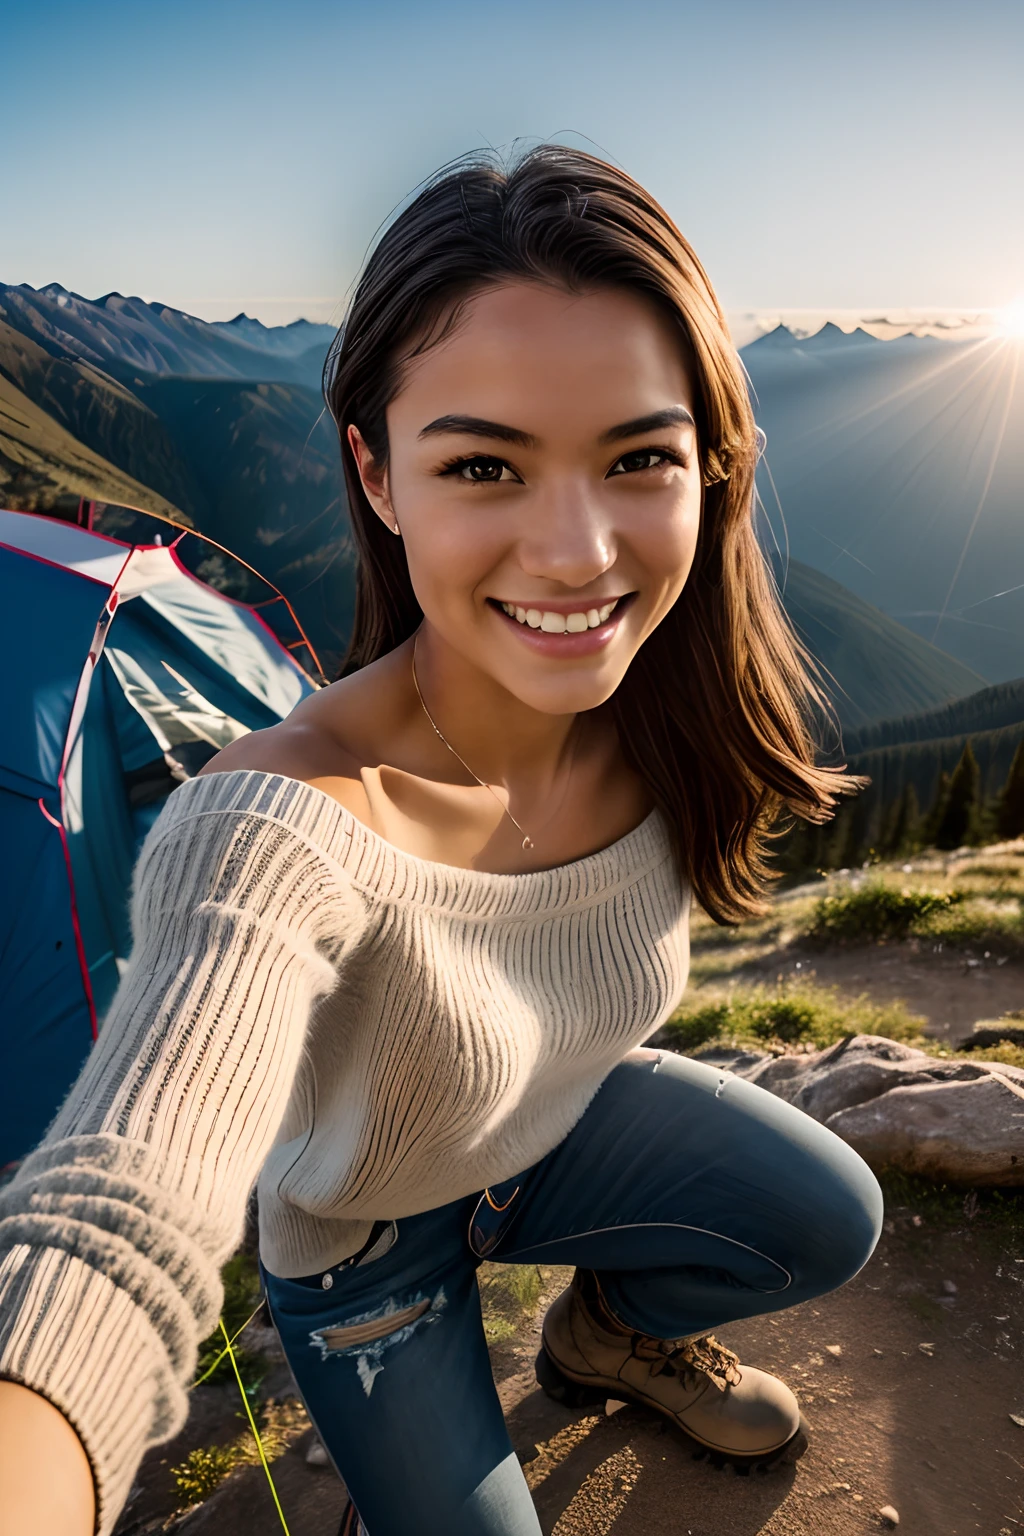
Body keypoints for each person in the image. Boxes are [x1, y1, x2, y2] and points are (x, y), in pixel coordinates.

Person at [0, 146, 882, 1536]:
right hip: (368, 1253)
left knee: (835, 1214)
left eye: (639, 458)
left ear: (712, 468)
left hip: (554, 1132)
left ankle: (609, 1337)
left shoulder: (670, 711)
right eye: (484, 463)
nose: (580, 551)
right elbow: (127, 1201)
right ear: (379, 472)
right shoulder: (275, 825)